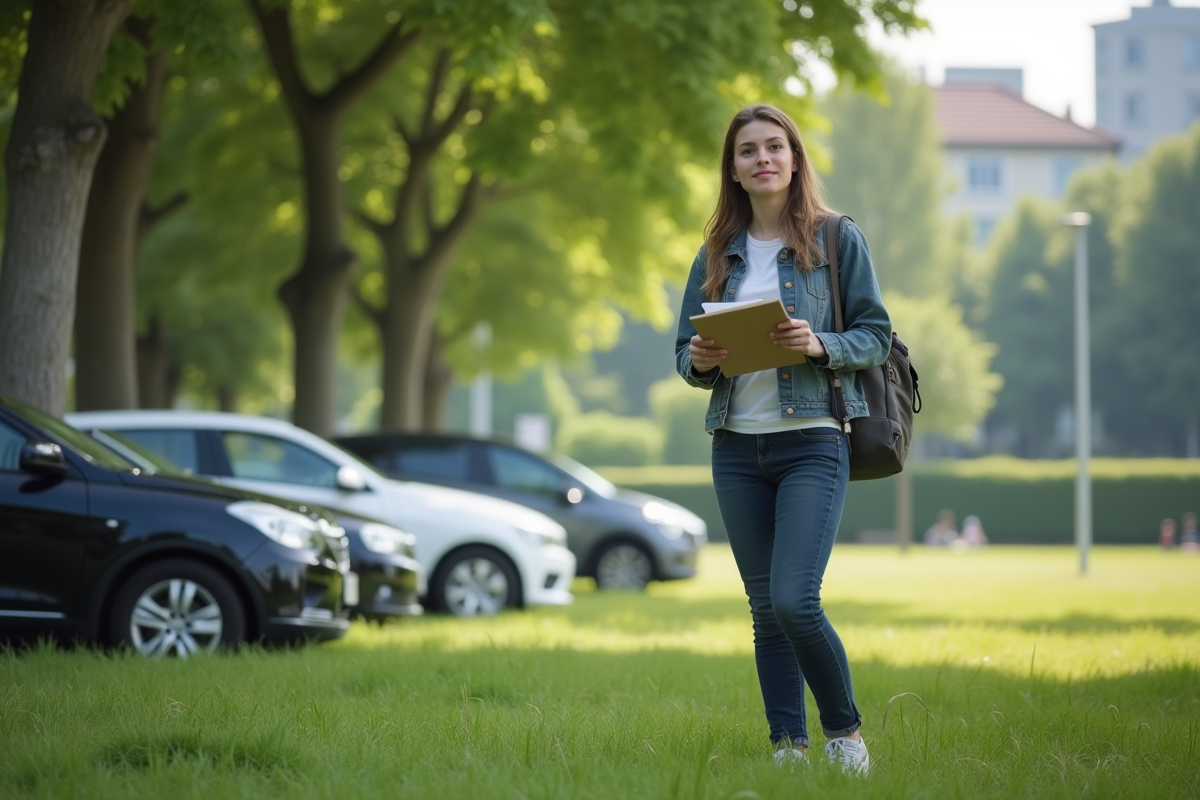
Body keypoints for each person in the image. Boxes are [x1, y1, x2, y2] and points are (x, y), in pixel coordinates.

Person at [674, 104, 891, 775]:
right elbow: (685, 352)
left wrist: (820, 343)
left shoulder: (835, 239)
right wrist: (702, 361)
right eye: (748, 151)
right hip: (737, 447)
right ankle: (787, 747)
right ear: (733, 170)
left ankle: (845, 734)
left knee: (796, 599)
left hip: (811, 443)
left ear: (795, 159)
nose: (762, 159)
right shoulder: (716, 253)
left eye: (774, 147)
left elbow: (876, 335)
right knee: (765, 609)